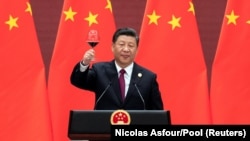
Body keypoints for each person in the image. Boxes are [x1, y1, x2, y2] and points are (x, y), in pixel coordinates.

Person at [70, 27, 163, 110]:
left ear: (137, 50)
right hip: (105, 127)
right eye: (122, 44)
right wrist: (84, 63)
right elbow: (78, 81)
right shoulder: (100, 70)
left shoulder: (148, 78)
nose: (126, 49)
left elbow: (157, 113)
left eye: (131, 46)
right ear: (113, 47)